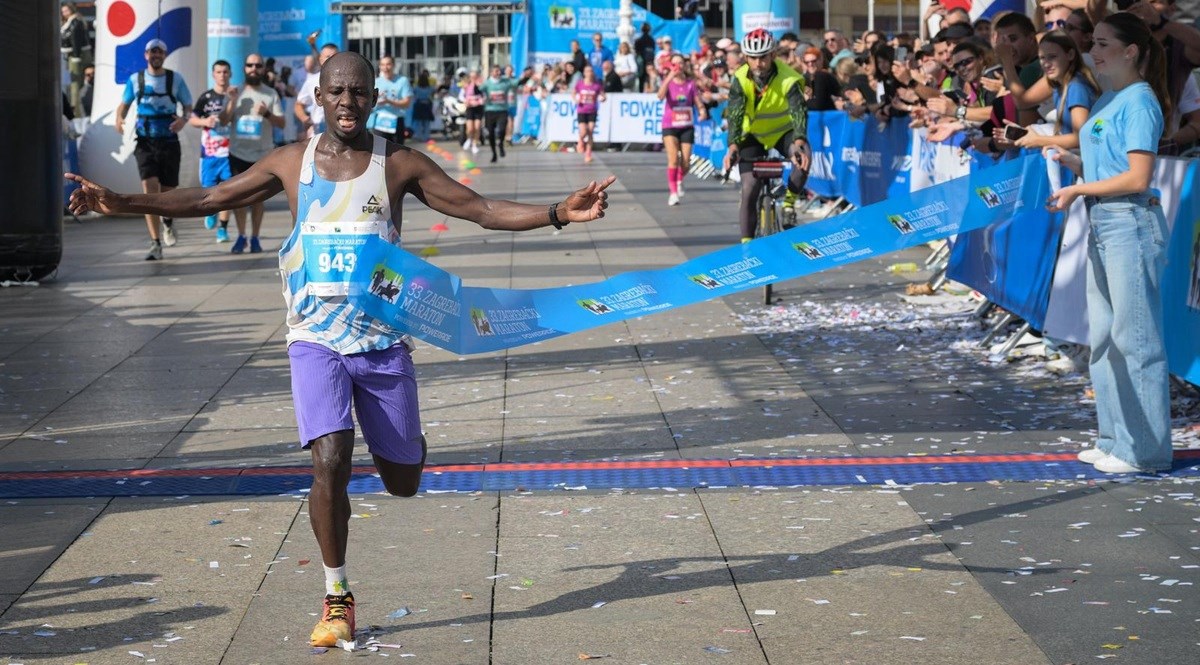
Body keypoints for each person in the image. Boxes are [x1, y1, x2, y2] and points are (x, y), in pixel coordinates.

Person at [66, 50, 615, 647]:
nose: (347, 102)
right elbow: (207, 199)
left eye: (358, 92)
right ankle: (337, 596)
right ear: (319, 97)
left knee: (402, 479)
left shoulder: (398, 164)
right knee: (329, 458)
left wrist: (557, 213)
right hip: (314, 339)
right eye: (337, 91)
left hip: (382, 345)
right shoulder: (291, 163)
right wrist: (123, 202)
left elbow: (478, 209)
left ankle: (405, 445)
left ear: (374, 98)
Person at [1046, 12, 1173, 474]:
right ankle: (1116, 439)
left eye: (1102, 44)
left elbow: (1138, 178)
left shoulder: (1139, 101)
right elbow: (1110, 167)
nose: (1093, 52)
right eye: (1093, 43)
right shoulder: (1108, 98)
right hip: (1103, 221)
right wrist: (1073, 163)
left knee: (1135, 340)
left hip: (1129, 224)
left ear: (1131, 51)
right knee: (1103, 338)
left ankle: (1145, 451)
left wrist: (1079, 187)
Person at [721, 28, 811, 244]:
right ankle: (747, 246)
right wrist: (733, 146)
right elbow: (735, 114)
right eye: (752, 58)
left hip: (783, 132)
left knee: (803, 156)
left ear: (772, 55)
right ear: (746, 57)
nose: (758, 63)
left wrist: (799, 141)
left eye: (763, 57)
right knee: (750, 187)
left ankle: (788, 205)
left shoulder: (789, 78)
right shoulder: (740, 78)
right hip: (752, 134)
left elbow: (799, 111)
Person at [115, 38, 193, 260]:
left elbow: (188, 106)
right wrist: (119, 119)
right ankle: (155, 242)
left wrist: (183, 120)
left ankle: (167, 220)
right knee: (149, 191)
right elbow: (124, 105)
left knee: (168, 193)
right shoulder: (136, 79)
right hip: (145, 142)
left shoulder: (175, 79)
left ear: (165, 55)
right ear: (146, 55)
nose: (156, 55)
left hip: (169, 142)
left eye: (160, 52)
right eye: (152, 52)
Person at [222, 53, 285, 254]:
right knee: (238, 199)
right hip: (238, 153)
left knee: (258, 199)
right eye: (250, 65)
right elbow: (223, 120)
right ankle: (241, 236)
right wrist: (232, 102)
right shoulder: (235, 92)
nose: (254, 69)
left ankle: (255, 237)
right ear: (244, 68)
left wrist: (267, 114)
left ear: (263, 69)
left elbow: (282, 123)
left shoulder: (271, 93)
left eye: (258, 65)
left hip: (262, 155)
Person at [189, 59, 235, 243]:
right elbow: (192, 119)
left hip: (230, 153)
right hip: (209, 154)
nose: (222, 75)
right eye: (219, 72)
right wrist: (204, 121)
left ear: (230, 74)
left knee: (228, 192)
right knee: (209, 190)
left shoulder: (235, 95)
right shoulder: (206, 97)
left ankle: (223, 229)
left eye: (225, 72)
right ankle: (211, 212)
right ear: (213, 75)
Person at [658, 54, 706, 206]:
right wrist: (669, 77)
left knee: (685, 163)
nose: (677, 66)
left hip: (686, 126)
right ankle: (673, 193)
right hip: (670, 125)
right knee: (673, 159)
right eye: (674, 64)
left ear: (684, 66)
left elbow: (697, 101)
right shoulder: (668, 81)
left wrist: (702, 110)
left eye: (680, 63)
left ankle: (679, 178)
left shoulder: (690, 84)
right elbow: (660, 96)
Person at [296, 43, 339, 140]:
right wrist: (304, 118)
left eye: (335, 57)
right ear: (320, 59)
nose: (331, 60)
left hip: (340, 133)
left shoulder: (347, 80)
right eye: (327, 57)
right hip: (318, 133)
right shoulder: (312, 81)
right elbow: (299, 104)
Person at [370, 55, 412, 146]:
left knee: (398, 151)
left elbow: (407, 103)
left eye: (388, 64)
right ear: (380, 66)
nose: (385, 67)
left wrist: (388, 101)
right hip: (380, 121)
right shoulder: (376, 82)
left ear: (393, 65)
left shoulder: (402, 81)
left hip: (397, 120)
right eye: (382, 65)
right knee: (379, 150)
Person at [60, 1, 92, 119]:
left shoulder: (75, 22)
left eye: (66, 10)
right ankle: (75, 110)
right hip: (70, 56)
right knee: (72, 84)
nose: (64, 13)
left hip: (76, 56)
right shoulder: (69, 22)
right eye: (63, 11)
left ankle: (76, 113)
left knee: (75, 85)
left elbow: (75, 39)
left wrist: (76, 57)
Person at [481, 65, 516, 163]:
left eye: (499, 71)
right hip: (490, 111)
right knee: (491, 133)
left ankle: (500, 143)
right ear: (491, 73)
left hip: (502, 110)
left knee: (502, 130)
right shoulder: (487, 83)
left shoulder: (505, 82)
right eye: (496, 71)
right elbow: (478, 90)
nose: (499, 73)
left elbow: (516, 83)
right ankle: (494, 153)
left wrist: (526, 77)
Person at [574, 65, 605, 163]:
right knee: (583, 131)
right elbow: (574, 93)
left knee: (590, 131)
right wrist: (576, 99)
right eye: (587, 71)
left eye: (591, 71)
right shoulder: (580, 84)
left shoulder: (597, 85)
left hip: (592, 111)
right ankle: (580, 140)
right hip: (582, 110)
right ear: (584, 73)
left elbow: (603, 95)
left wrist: (603, 98)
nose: (589, 73)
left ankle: (588, 153)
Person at [461, 69, 486, 154]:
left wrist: (482, 100)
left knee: (477, 127)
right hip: (470, 108)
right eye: (472, 76)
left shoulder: (481, 85)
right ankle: (469, 139)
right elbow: (461, 96)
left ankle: (475, 144)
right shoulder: (466, 85)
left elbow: (485, 94)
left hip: (478, 108)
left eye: (475, 76)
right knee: (470, 128)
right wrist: (465, 101)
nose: (473, 78)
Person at [411, 70, 436, 142]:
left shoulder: (416, 88)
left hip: (418, 105)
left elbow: (413, 95)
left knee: (418, 122)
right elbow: (434, 92)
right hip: (427, 105)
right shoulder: (430, 88)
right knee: (426, 122)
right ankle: (426, 136)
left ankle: (418, 135)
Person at [634, 23, 657, 93]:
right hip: (648, 61)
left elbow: (636, 51)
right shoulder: (651, 40)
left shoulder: (639, 40)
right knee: (648, 77)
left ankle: (642, 92)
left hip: (642, 62)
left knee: (642, 78)